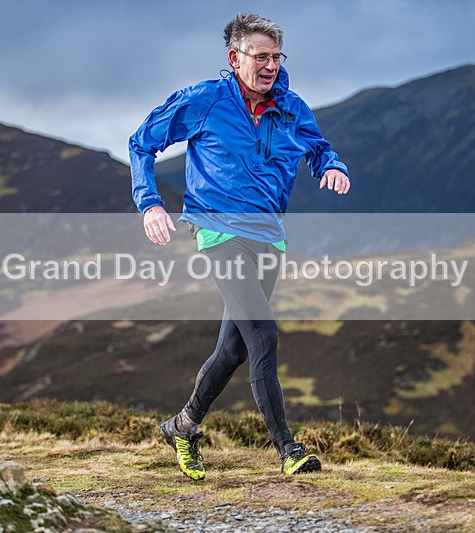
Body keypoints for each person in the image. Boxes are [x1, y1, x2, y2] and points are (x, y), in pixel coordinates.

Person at [129, 13, 350, 480]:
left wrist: (333, 166)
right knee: (264, 334)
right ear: (235, 58)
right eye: (259, 56)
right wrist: (149, 203)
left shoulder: (291, 107)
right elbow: (141, 143)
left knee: (233, 350)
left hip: (269, 237)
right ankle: (288, 449)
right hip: (218, 232)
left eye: (275, 57)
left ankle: (182, 427)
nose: (269, 66)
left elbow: (318, 148)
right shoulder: (205, 100)